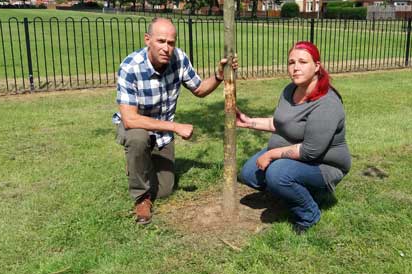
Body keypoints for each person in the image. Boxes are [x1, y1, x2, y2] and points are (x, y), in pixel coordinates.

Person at [115, 17, 237, 225]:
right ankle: (141, 198)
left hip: (162, 134)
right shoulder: (130, 67)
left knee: (164, 190)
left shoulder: (179, 59)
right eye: (161, 41)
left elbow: (199, 89)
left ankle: (139, 163)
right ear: (148, 40)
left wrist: (218, 76)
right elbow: (130, 118)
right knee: (137, 138)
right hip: (136, 127)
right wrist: (175, 126)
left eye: (171, 43)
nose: (166, 48)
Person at [236, 41, 351, 234]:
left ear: (317, 66)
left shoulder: (327, 103)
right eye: (291, 62)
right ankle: (291, 190)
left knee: (277, 175)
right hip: (293, 155)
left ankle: (309, 213)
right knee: (248, 174)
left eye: (302, 62)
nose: (295, 67)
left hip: (324, 165)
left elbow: (310, 151)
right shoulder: (290, 90)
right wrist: (249, 122)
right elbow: (280, 123)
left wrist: (271, 155)